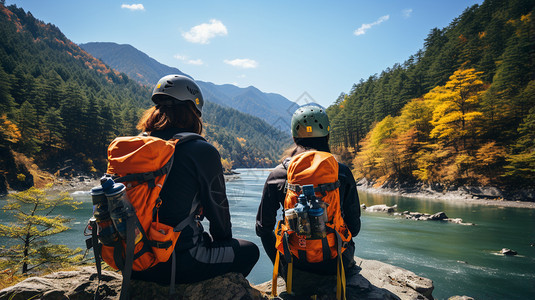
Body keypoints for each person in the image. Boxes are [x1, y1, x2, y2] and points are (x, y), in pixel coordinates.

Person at [131, 74, 259, 284]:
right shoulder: (200, 150)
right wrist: (223, 243)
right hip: (176, 262)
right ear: (193, 111)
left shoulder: (139, 147)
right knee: (249, 251)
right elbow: (218, 212)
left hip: (134, 260)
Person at [255, 104, 361, 284]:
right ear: (327, 135)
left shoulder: (278, 175)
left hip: (293, 264)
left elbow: (263, 229)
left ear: (294, 137)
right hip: (336, 264)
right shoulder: (341, 173)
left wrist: (281, 265)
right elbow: (355, 228)